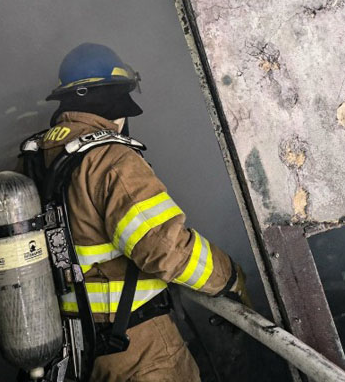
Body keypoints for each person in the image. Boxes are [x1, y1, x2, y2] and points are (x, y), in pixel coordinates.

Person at [29, 43, 251, 381]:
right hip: (137, 349)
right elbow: (164, 248)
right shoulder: (110, 159)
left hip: (75, 353)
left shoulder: (36, 157)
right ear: (116, 101)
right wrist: (230, 277)